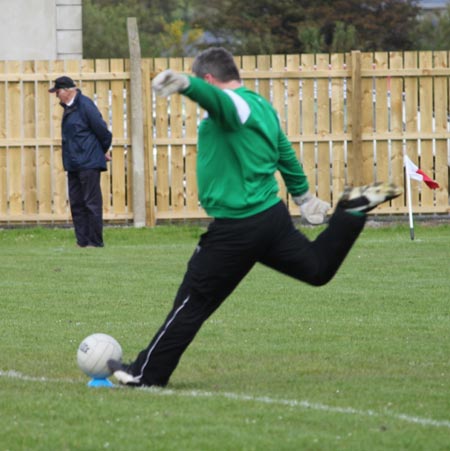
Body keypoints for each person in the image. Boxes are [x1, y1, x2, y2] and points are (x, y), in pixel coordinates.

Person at [108, 47, 402, 387]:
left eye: (202, 84)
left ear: (208, 78)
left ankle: (145, 374)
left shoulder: (234, 106)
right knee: (317, 269)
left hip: (237, 227)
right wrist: (303, 196)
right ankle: (352, 210)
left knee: (193, 302)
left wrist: (186, 85)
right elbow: (284, 152)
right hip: (269, 219)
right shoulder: (262, 106)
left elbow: (219, 103)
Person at [49, 76, 112, 248]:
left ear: (69, 90)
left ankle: (95, 242)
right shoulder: (69, 108)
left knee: (91, 203)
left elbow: (103, 132)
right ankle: (82, 241)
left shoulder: (85, 105)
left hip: (88, 163)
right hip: (74, 164)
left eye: (58, 92)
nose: (56, 96)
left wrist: (101, 151)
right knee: (76, 203)